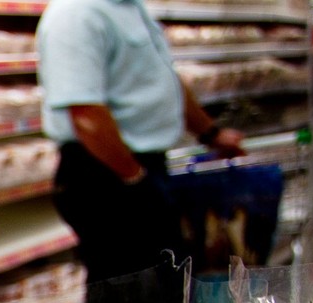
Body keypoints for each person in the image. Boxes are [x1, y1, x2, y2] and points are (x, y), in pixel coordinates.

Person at [37, 0, 244, 283]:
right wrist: (134, 178)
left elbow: (165, 79)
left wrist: (211, 134)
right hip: (105, 172)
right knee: (126, 285)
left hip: (141, 168)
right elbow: (86, 114)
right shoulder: (76, 13)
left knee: (163, 280)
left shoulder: (133, 7)